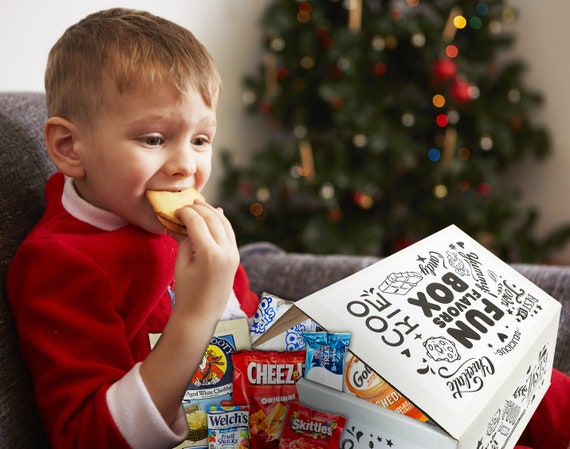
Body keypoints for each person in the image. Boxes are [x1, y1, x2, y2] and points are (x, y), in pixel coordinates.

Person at [6, 8, 259, 449]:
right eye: (154, 139)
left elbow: (252, 335)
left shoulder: (191, 225)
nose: (186, 167)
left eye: (200, 140)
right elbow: (88, 436)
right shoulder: (60, 263)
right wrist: (196, 314)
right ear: (70, 148)